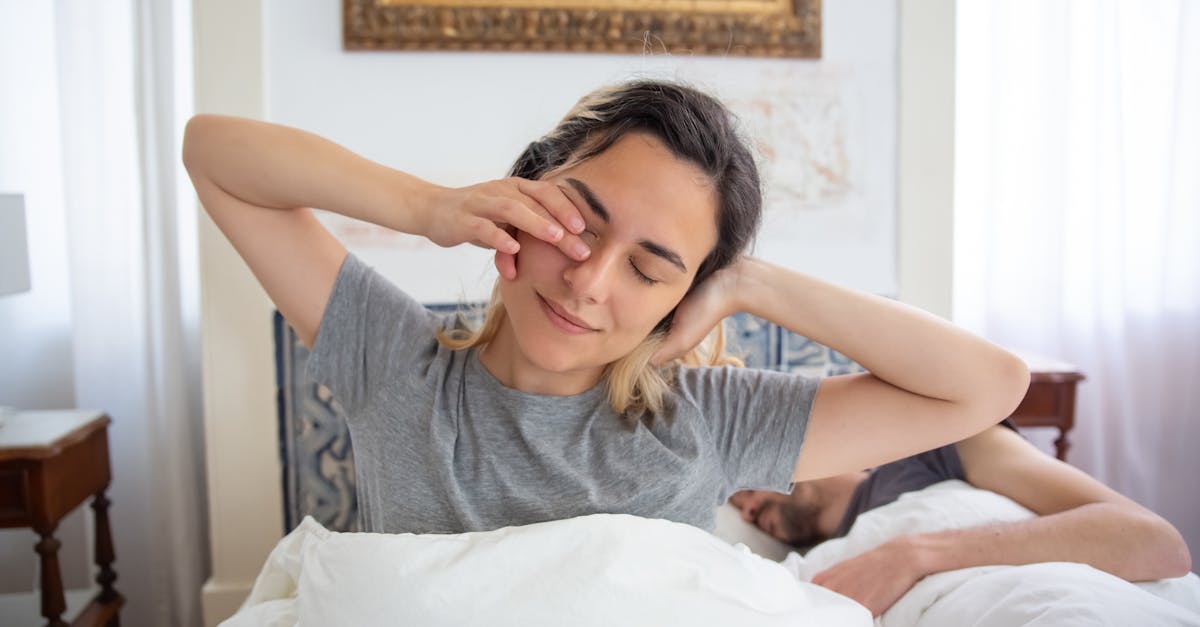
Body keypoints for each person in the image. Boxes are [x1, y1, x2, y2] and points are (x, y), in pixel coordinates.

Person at [182, 80, 1029, 537]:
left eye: (652, 268)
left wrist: (752, 283)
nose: (589, 282)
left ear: (684, 295)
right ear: (523, 188)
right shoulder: (395, 364)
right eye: (579, 223)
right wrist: (427, 206)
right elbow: (212, 150)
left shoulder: (708, 420)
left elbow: (987, 386)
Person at [730, 422, 1193, 616]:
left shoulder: (939, 451)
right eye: (739, 512)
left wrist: (914, 554)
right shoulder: (808, 572)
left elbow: (1157, 543)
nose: (748, 510)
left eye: (745, 488)